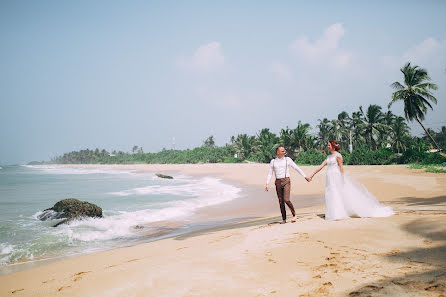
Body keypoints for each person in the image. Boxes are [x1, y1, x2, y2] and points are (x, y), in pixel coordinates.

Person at [308, 140, 394, 220]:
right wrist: (311, 175)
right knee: (330, 193)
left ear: (333, 146)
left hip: (336, 177)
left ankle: (337, 214)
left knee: (336, 193)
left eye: (329, 145)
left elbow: (341, 168)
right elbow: (320, 167)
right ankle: (332, 213)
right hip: (329, 177)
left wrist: (342, 179)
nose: (327, 146)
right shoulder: (328, 156)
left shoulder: (338, 156)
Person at [265, 146, 311, 224]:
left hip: (286, 181)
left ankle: (294, 215)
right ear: (278, 152)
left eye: (284, 151)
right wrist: (267, 183)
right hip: (278, 182)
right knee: (281, 201)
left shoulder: (287, 159)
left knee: (286, 199)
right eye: (282, 151)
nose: (284, 152)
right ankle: (284, 219)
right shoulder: (273, 161)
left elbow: (296, 168)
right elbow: (270, 173)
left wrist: (305, 176)